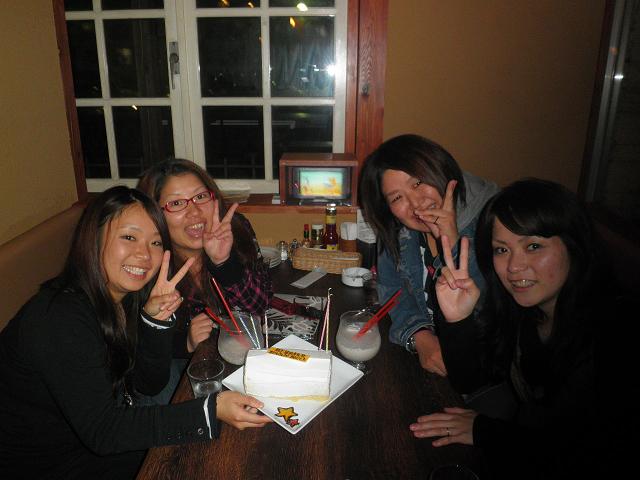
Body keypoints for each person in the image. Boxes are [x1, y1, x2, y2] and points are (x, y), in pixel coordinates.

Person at [0, 187, 270, 479]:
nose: (144, 254)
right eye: (129, 237)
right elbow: (104, 432)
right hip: (43, 464)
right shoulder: (59, 316)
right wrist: (209, 410)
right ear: (94, 238)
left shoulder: (125, 298)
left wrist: (155, 324)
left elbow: (148, 385)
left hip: (85, 445)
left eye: (155, 242)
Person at [409, 179, 630, 478]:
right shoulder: (521, 312)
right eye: (502, 249)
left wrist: (486, 431)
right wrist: (458, 320)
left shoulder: (617, 330)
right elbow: (471, 380)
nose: (514, 266)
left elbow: (593, 453)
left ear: (574, 245)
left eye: (533, 246)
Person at [358, 134, 499, 376]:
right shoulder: (398, 230)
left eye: (418, 183)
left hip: (487, 371)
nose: (415, 203)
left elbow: (494, 313)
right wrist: (418, 335)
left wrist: (452, 242)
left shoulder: (494, 222)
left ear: (440, 169)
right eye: (397, 197)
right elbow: (392, 288)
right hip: (430, 369)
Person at [137, 159, 272, 401]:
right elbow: (138, 342)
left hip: (239, 352)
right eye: (176, 203)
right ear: (155, 215)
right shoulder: (149, 260)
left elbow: (259, 306)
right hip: (180, 365)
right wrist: (185, 343)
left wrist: (223, 263)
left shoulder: (235, 229)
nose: (194, 212)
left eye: (200, 197)